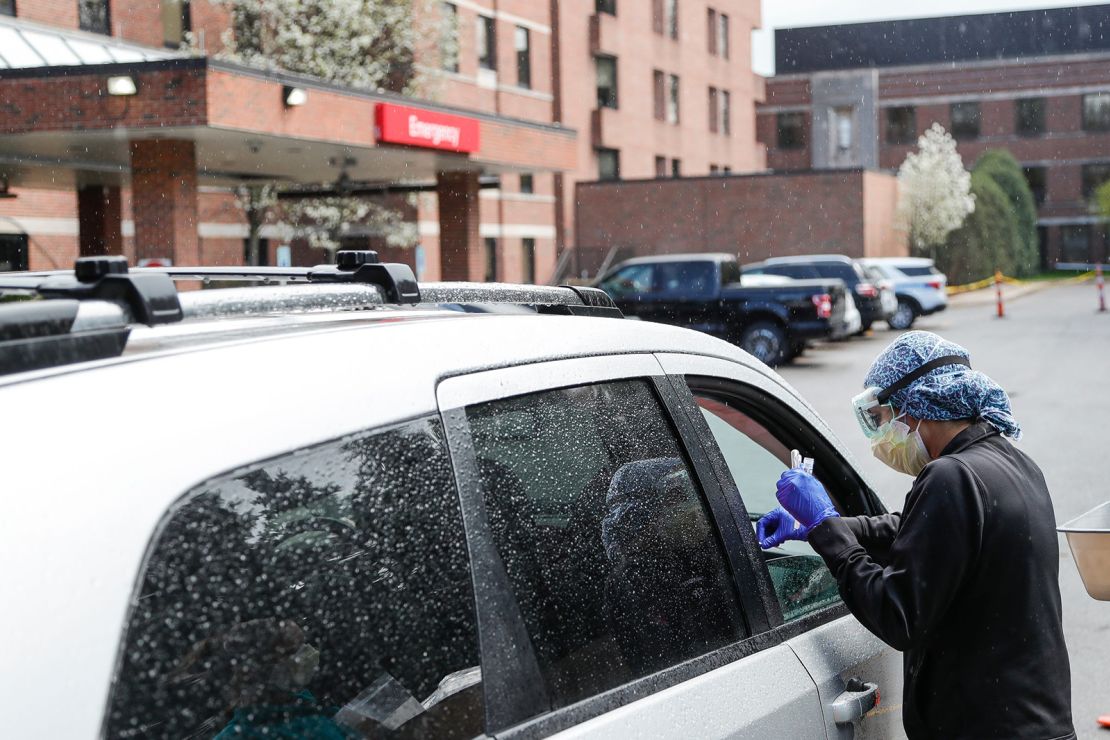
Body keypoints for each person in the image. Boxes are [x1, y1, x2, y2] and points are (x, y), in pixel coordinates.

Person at [757, 331, 1074, 740]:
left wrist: (825, 528)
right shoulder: (1009, 464)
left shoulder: (951, 476)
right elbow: (921, 532)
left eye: (885, 419)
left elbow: (898, 614)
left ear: (915, 408)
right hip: (1032, 724)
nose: (883, 436)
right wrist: (822, 526)